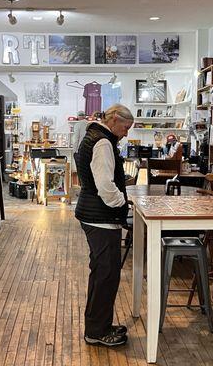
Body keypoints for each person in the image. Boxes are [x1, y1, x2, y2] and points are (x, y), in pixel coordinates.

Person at [74, 104, 134, 347]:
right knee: (106, 275)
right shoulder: (103, 143)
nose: (127, 133)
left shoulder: (93, 136)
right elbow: (105, 186)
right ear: (115, 120)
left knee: (102, 273)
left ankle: (99, 325)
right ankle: (97, 331)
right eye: (126, 127)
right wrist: (123, 203)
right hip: (101, 217)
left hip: (94, 214)